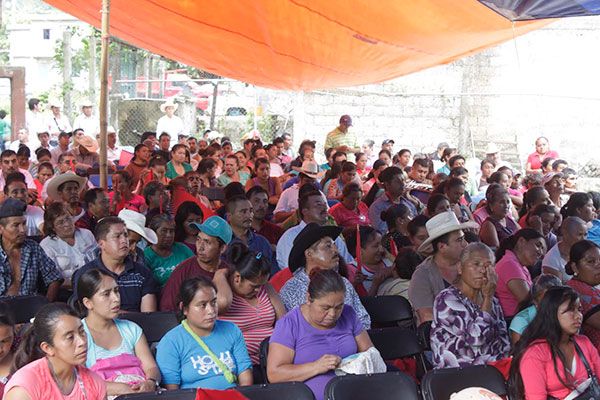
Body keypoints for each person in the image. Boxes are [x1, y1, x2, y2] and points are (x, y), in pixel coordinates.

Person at [268, 268, 374, 400]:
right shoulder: (289, 324)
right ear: (308, 298)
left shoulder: (348, 313)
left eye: (338, 307)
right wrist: (316, 366)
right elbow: (275, 374)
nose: (332, 314)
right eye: (325, 308)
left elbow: (370, 353)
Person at [156, 277, 252, 389]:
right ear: (184, 308)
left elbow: (244, 371)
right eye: (202, 305)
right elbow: (172, 391)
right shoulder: (171, 342)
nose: (211, 311)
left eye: (214, 302)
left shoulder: (232, 330)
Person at [77, 268, 160, 397]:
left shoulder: (131, 329)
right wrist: (122, 389)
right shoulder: (78, 335)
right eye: (106, 294)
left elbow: (151, 367)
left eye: (116, 291)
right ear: (88, 303)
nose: (116, 299)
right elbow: (79, 381)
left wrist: (150, 382)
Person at [508, 286, 600, 400]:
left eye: (579, 310)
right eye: (570, 310)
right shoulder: (535, 354)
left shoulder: (584, 343)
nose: (578, 316)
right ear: (551, 313)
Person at [431, 243, 510, 368]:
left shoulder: (493, 301)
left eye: (488, 266)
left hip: (492, 371)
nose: (482, 270)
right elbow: (476, 340)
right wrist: (488, 298)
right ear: (460, 268)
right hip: (460, 373)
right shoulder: (447, 299)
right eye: (476, 264)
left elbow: (503, 340)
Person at [5, 303, 106, 400]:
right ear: (47, 348)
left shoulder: (95, 383)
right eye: (70, 337)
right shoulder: (25, 387)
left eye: (82, 332)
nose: (82, 342)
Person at [279, 223, 371, 329]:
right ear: (309, 254)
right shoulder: (292, 289)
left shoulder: (343, 283)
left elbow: (363, 320)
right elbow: (290, 329)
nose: (336, 250)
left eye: (334, 245)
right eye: (328, 246)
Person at [73, 216, 160, 312]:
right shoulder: (85, 274)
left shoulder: (143, 273)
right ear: (101, 244)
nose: (124, 240)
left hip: (138, 326)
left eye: (126, 235)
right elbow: (88, 314)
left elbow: (148, 316)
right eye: (117, 236)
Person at [219, 243, 286, 366]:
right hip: (240, 365)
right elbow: (222, 302)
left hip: (272, 360)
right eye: (254, 286)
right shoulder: (224, 293)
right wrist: (220, 274)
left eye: (261, 285)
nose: (258, 290)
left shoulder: (266, 288)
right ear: (237, 278)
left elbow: (283, 321)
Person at [408, 211, 476, 325]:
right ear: (442, 247)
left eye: (464, 238)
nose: (466, 244)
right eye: (459, 240)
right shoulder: (422, 275)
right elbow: (427, 317)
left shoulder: (471, 265)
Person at [160, 216, 233, 312]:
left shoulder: (228, 272)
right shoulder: (184, 269)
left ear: (222, 248)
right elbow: (167, 309)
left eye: (207, 242)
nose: (200, 247)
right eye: (198, 239)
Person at [0, 198, 63, 300]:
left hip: (30, 307)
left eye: (24, 224)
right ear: (1, 229)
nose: (22, 230)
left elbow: (54, 278)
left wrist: (45, 306)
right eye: (15, 225)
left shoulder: (33, 247)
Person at [276, 190, 355, 270]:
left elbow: (347, 262)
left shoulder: (333, 236)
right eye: (318, 205)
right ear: (305, 211)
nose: (324, 208)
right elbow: (290, 268)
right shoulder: (290, 237)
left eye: (325, 204)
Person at [40, 203, 97, 288]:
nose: (67, 224)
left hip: (94, 283)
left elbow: (98, 260)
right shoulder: (47, 245)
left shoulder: (86, 234)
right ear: (52, 227)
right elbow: (52, 279)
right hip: (67, 290)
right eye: (60, 222)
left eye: (68, 218)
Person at [494, 228, 547, 319]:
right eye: (538, 245)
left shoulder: (520, 266)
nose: (541, 252)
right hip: (512, 323)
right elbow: (528, 302)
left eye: (542, 249)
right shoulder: (509, 264)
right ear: (521, 241)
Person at [225, 196, 276, 274]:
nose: (249, 215)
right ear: (229, 216)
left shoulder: (262, 242)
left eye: (251, 211)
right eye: (243, 211)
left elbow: (271, 272)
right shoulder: (222, 242)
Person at [565, 240, 600, 348]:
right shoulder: (579, 290)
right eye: (591, 262)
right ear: (575, 267)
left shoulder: (584, 286)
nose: (598, 266)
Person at [509, 274, 562, 345]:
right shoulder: (521, 321)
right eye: (545, 300)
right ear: (535, 301)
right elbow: (519, 353)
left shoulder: (565, 315)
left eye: (555, 299)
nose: (551, 304)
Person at [144, 215, 194, 286]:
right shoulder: (146, 256)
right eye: (164, 231)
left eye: (172, 231)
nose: (169, 235)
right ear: (153, 233)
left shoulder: (183, 249)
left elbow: (196, 268)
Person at [369, 166, 422, 234]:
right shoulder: (377, 207)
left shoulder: (409, 203)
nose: (403, 184)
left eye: (403, 181)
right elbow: (381, 232)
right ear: (387, 184)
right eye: (398, 182)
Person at [346, 226, 392, 297]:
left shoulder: (387, 258)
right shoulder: (352, 270)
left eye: (381, 245)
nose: (381, 249)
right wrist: (375, 284)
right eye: (376, 246)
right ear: (360, 251)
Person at [542, 217, 588, 282]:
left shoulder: (587, 251)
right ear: (565, 233)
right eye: (580, 234)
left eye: (585, 234)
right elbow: (558, 289)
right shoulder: (552, 260)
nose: (584, 239)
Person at [3, 172, 44, 238]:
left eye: (23, 191)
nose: (20, 195)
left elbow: (45, 230)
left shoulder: (36, 211)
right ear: (6, 196)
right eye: (15, 192)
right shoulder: (2, 215)